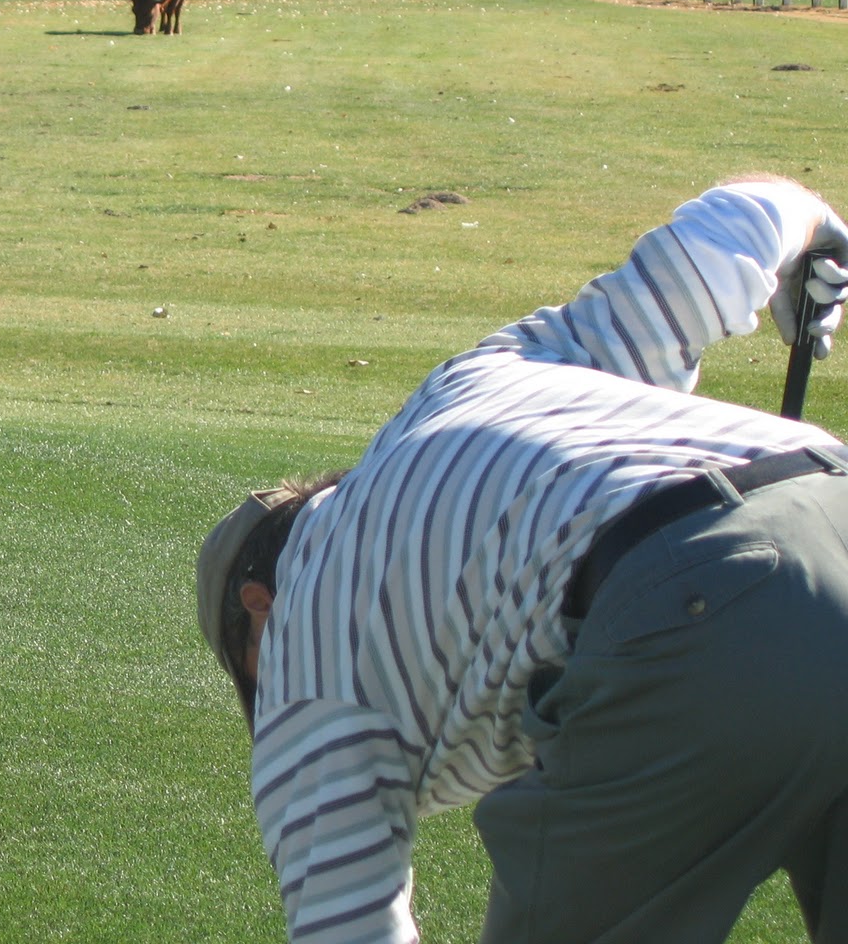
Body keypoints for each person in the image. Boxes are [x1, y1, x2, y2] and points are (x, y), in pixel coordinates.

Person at [196, 177, 848, 943]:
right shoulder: (475, 380)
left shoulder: (302, 674)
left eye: (250, 670)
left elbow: (350, 930)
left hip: (691, 599)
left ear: (259, 605)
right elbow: (728, 232)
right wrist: (817, 232)